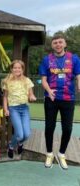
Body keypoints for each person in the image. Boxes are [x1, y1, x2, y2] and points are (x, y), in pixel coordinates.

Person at [39, 34, 80, 170]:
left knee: (67, 128)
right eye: (55, 42)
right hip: (51, 98)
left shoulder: (73, 58)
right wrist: (49, 90)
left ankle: (61, 153)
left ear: (65, 44)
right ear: (52, 45)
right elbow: (44, 79)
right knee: (49, 127)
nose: (58, 44)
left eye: (60, 42)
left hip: (68, 99)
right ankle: (49, 153)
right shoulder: (47, 60)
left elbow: (78, 75)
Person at [2, 60, 36, 159]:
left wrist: (32, 97)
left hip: (24, 108)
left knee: (27, 134)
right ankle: (11, 146)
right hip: (13, 109)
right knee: (20, 134)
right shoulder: (7, 81)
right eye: (15, 68)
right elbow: (5, 97)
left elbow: (31, 94)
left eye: (19, 68)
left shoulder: (27, 80)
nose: (17, 69)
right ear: (11, 69)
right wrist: (5, 109)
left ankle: (20, 144)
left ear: (22, 69)